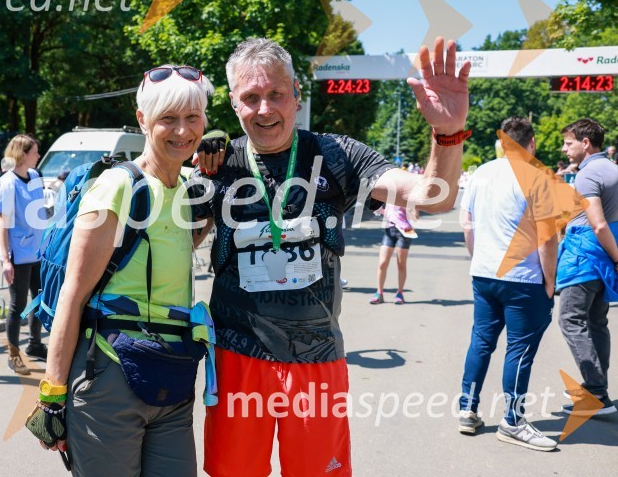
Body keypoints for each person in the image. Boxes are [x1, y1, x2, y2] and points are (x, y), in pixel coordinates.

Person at [193, 36, 470, 477]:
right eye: (251, 97)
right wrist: (187, 146)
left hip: (316, 359)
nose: (265, 109)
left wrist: (448, 134)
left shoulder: (337, 154)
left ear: (296, 93)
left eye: (276, 93)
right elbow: (174, 242)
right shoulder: (218, 164)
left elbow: (433, 197)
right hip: (237, 357)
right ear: (233, 102)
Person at [40, 65, 214, 476]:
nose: (182, 130)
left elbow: (175, 247)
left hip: (173, 375)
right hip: (110, 374)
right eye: (168, 118)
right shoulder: (117, 186)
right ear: (142, 120)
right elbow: (73, 294)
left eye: (193, 117)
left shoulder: (189, 187)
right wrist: (52, 394)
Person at [457, 117, 558, 451]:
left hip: (484, 272)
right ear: (531, 143)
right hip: (522, 278)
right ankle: (513, 421)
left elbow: (467, 224)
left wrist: (479, 259)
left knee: (481, 341)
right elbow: (547, 238)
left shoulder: (481, 174)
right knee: (520, 349)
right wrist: (550, 280)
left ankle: (467, 409)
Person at [556, 118, 618, 416]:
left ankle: (595, 392)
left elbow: (598, 223)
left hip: (586, 256)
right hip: (603, 255)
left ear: (585, 142)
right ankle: (598, 389)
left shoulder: (588, 174)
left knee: (570, 319)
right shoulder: (613, 169)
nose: (564, 149)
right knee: (596, 322)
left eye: (568, 143)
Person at [0, 134, 47, 375]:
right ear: (23, 155)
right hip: (18, 254)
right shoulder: (7, 184)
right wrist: (6, 260)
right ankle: (13, 355)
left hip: (37, 251)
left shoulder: (34, 176)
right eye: (35, 152)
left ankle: (35, 344)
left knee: (40, 300)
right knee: (18, 306)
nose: (38, 156)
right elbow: (3, 225)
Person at [371, 204, 416, 305]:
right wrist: (379, 209)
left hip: (406, 230)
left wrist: (409, 209)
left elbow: (416, 216)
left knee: (401, 264)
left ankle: (400, 293)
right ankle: (379, 293)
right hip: (389, 230)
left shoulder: (409, 197)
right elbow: (386, 211)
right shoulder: (389, 196)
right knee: (382, 263)